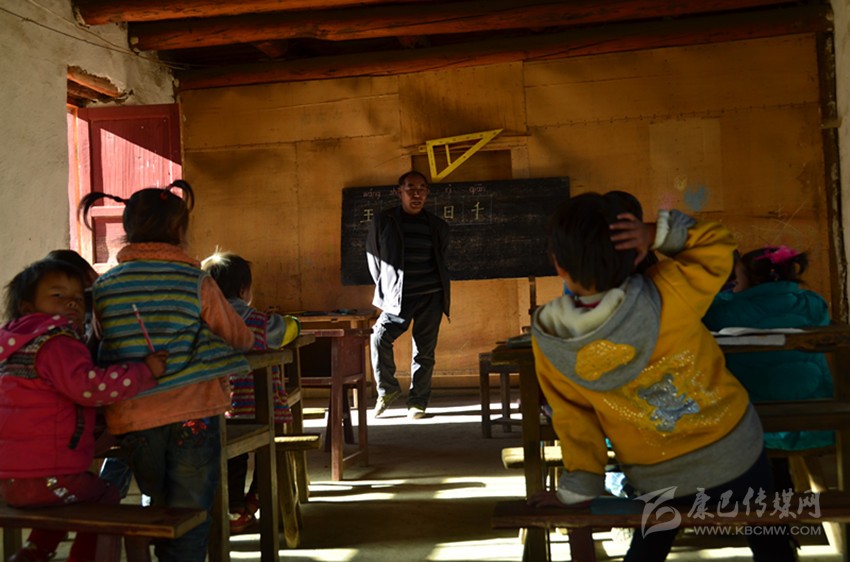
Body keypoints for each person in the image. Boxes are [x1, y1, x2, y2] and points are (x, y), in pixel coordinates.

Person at [527, 192, 797, 561]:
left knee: (650, 544)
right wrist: (658, 232)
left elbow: (574, 419)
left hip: (656, 473)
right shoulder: (669, 289)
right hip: (735, 451)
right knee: (769, 537)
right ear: (637, 254)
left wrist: (579, 488)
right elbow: (719, 247)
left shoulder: (549, 338)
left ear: (558, 265)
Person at [79, 180, 255, 562]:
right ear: (179, 230)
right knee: (191, 511)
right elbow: (239, 338)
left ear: (127, 229)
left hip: (133, 418)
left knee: (158, 506)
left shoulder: (105, 287)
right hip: (195, 413)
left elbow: (99, 341)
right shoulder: (197, 282)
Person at [0, 258, 167, 562]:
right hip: (49, 476)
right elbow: (90, 388)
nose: (72, 303)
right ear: (27, 307)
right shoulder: (57, 344)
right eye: (58, 295)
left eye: (78, 298)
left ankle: (35, 552)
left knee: (64, 502)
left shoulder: (11, 347)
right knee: (105, 496)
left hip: (9, 480)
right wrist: (144, 372)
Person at [201, 251, 301, 533]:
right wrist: (294, 322)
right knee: (271, 448)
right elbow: (288, 330)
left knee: (233, 457)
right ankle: (257, 496)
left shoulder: (204, 322)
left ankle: (234, 509)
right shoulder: (258, 320)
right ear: (244, 289)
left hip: (222, 409)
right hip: (263, 407)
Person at [703, 245, 834, 452]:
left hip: (752, 425)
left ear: (749, 280)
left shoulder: (723, 312)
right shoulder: (812, 304)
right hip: (818, 421)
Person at [366, 170, 451, 419]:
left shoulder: (437, 225)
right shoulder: (384, 221)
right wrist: (387, 287)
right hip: (398, 298)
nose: (416, 194)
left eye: (422, 189)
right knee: (379, 336)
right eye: (410, 188)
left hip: (432, 297)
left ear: (427, 193)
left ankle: (418, 403)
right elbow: (374, 257)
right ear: (399, 192)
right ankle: (387, 390)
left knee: (424, 351)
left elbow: (442, 257)